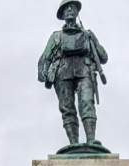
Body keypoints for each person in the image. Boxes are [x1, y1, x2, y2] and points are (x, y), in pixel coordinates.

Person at [38, 0, 108, 148]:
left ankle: (91, 140)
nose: (70, 10)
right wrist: (43, 70)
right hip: (62, 72)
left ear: (77, 12)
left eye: (72, 8)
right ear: (63, 15)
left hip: (85, 70)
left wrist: (93, 39)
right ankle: (73, 143)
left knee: (87, 103)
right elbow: (45, 57)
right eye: (66, 9)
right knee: (67, 108)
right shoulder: (56, 37)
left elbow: (103, 57)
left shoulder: (87, 34)